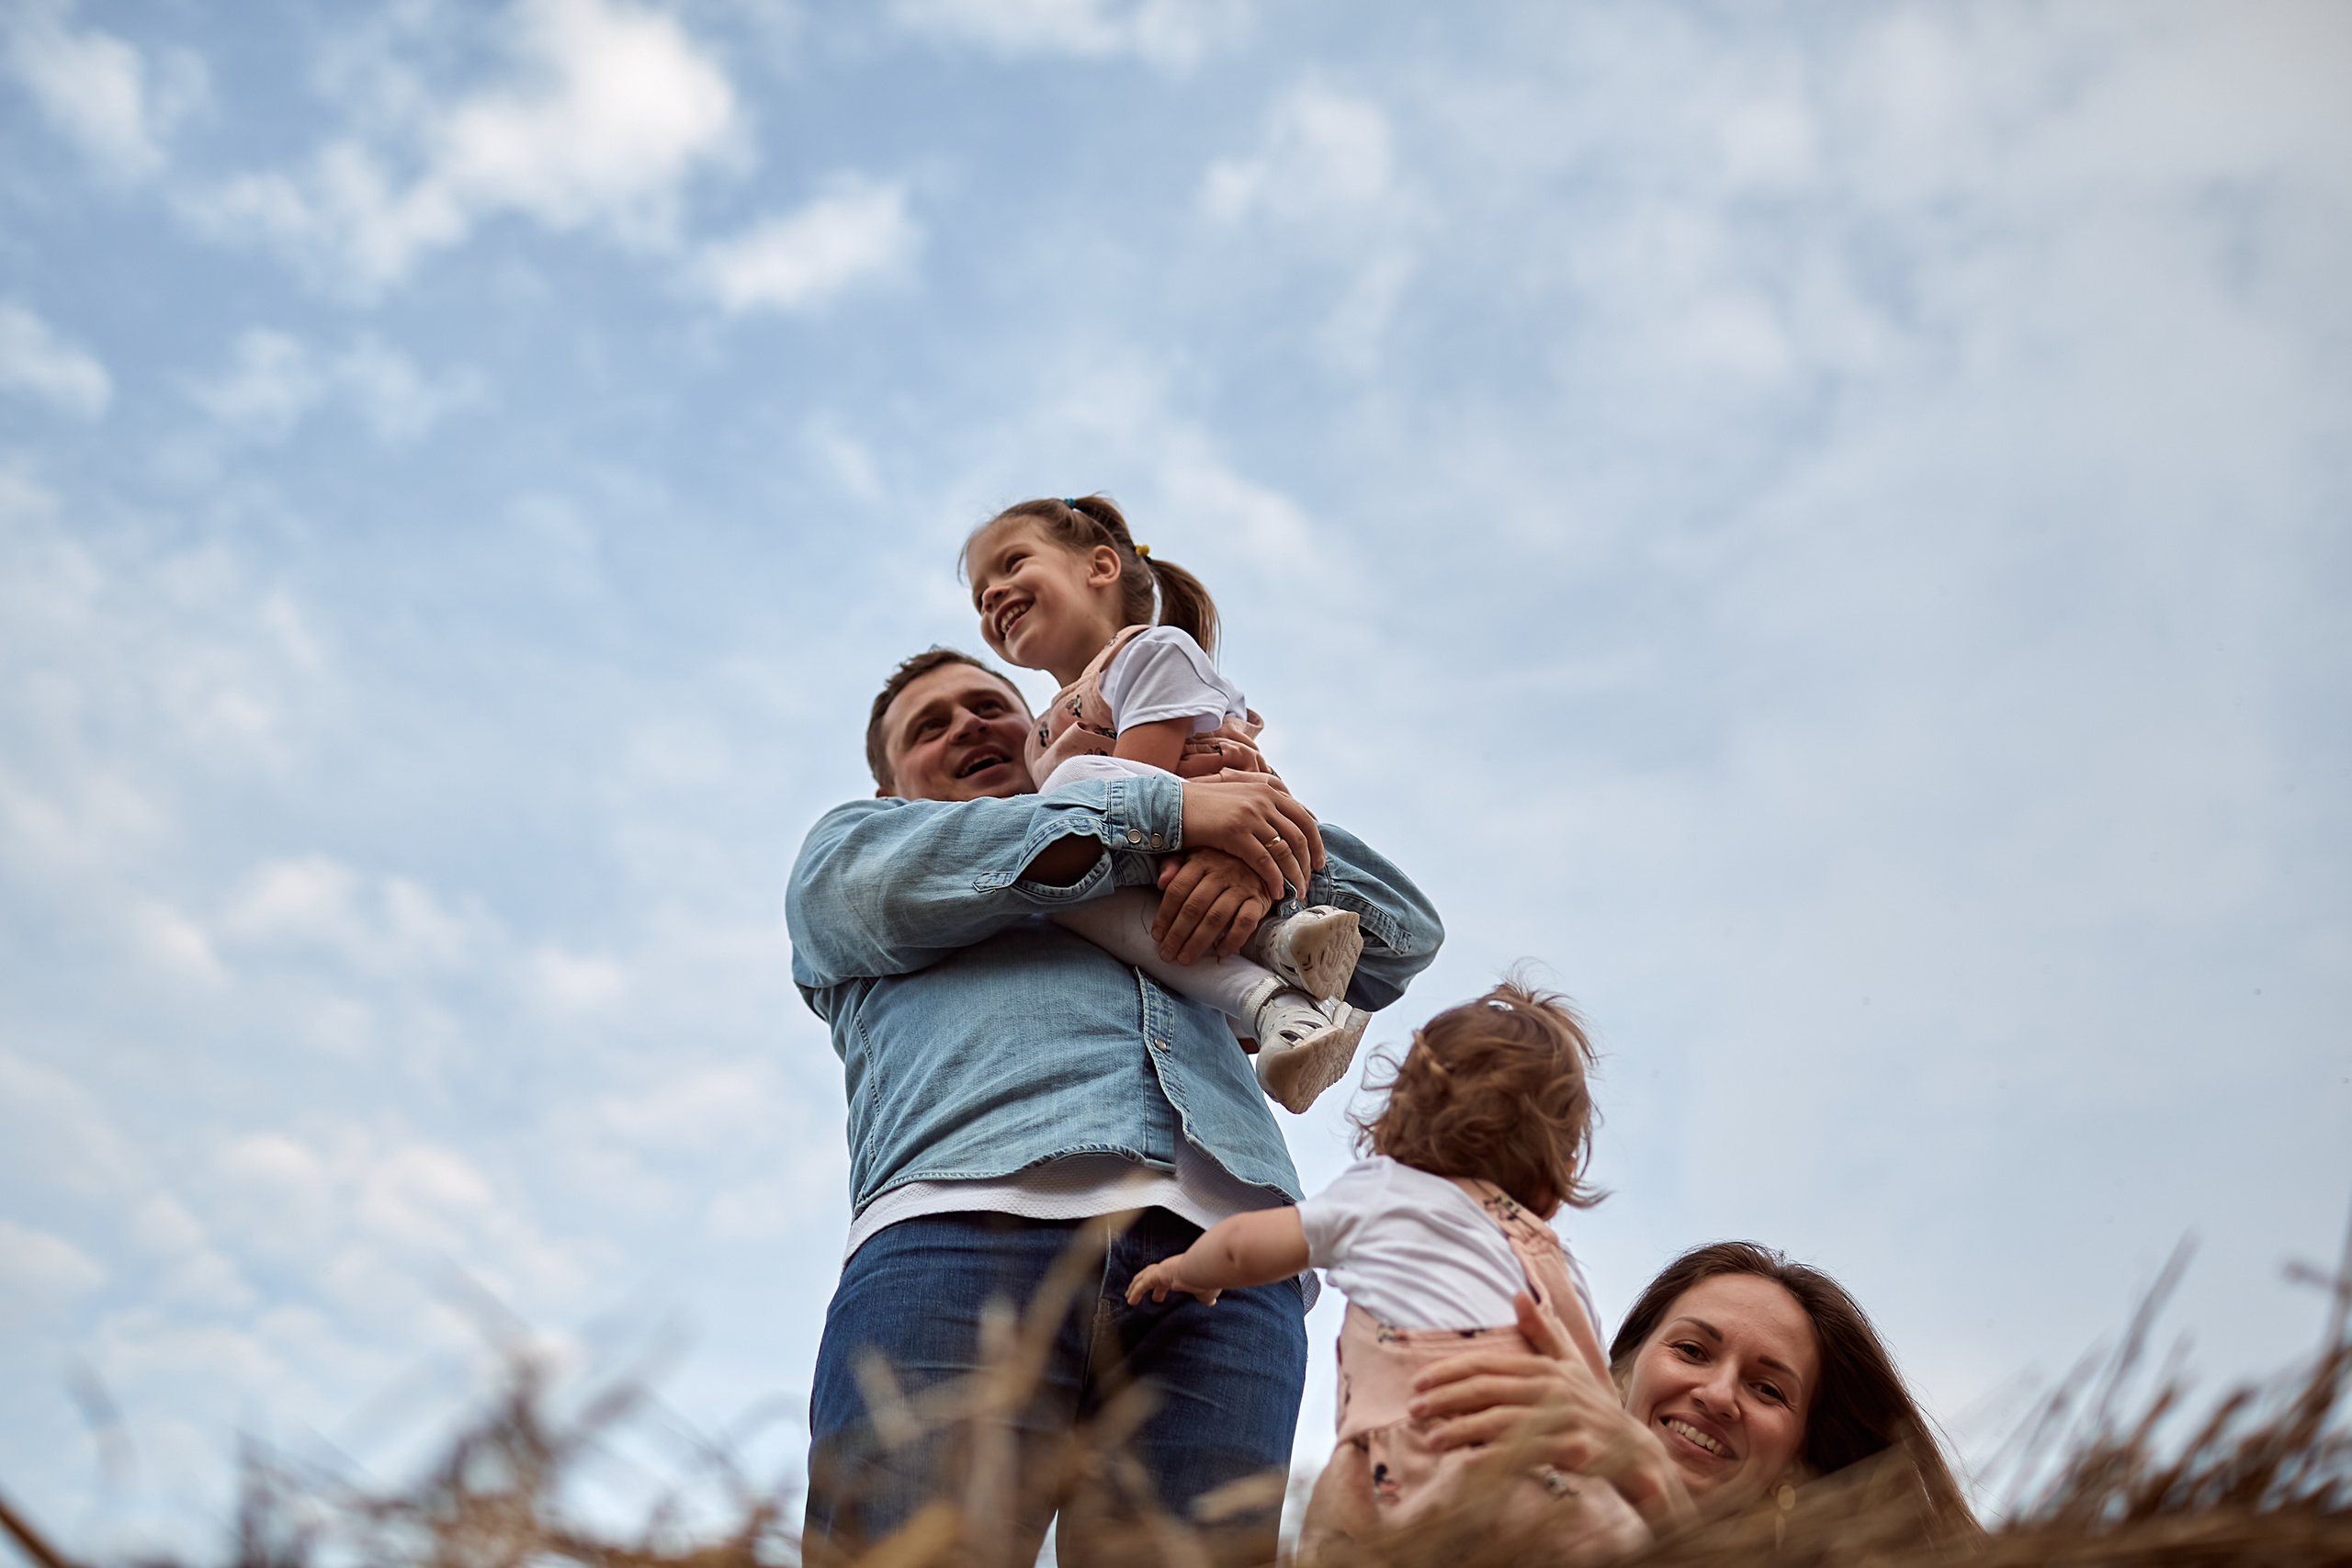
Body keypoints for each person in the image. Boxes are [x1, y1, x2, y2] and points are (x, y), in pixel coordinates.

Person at [790, 647, 1443, 1564]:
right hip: (962, 1234)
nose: (965, 726)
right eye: (927, 728)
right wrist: (1169, 810)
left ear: (1047, 733)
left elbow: (1400, 933)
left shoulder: (1175, 844)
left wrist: (1237, 830)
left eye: (987, 706)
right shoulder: (860, 846)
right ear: (892, 784)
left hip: (1224, 1266)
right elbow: (875, 888)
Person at [1124, 982, 1651, 1561]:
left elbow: (1245, 1242)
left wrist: (1191, 1270)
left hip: (1415, 1468)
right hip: (1553, 1486)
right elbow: (1592, 1389)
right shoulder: (1552, 1255)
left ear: (1398, 1120)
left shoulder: (1391, 1191)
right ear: (1554, 1184)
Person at [963, 494, 1372, 1112]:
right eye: (979, 594)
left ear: (1100, 567)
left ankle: (1283, 936)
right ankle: (1283, 1004)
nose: (992, 594)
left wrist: (1071, 824)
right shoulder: (1039, 737)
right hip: (1151, 877)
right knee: (1048, 890)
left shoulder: (1152, 653)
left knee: (1067, 797)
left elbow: (1141, 794)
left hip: (1215, 855)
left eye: (1012, 563)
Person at [1311, 1240, 1977, 1551]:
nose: (1718, 1394)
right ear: (1619, 1372)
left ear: (1804, 1446)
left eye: (1768, 1387)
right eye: (1691, 1350)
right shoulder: (1467, 1497)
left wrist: (1657, 1496)